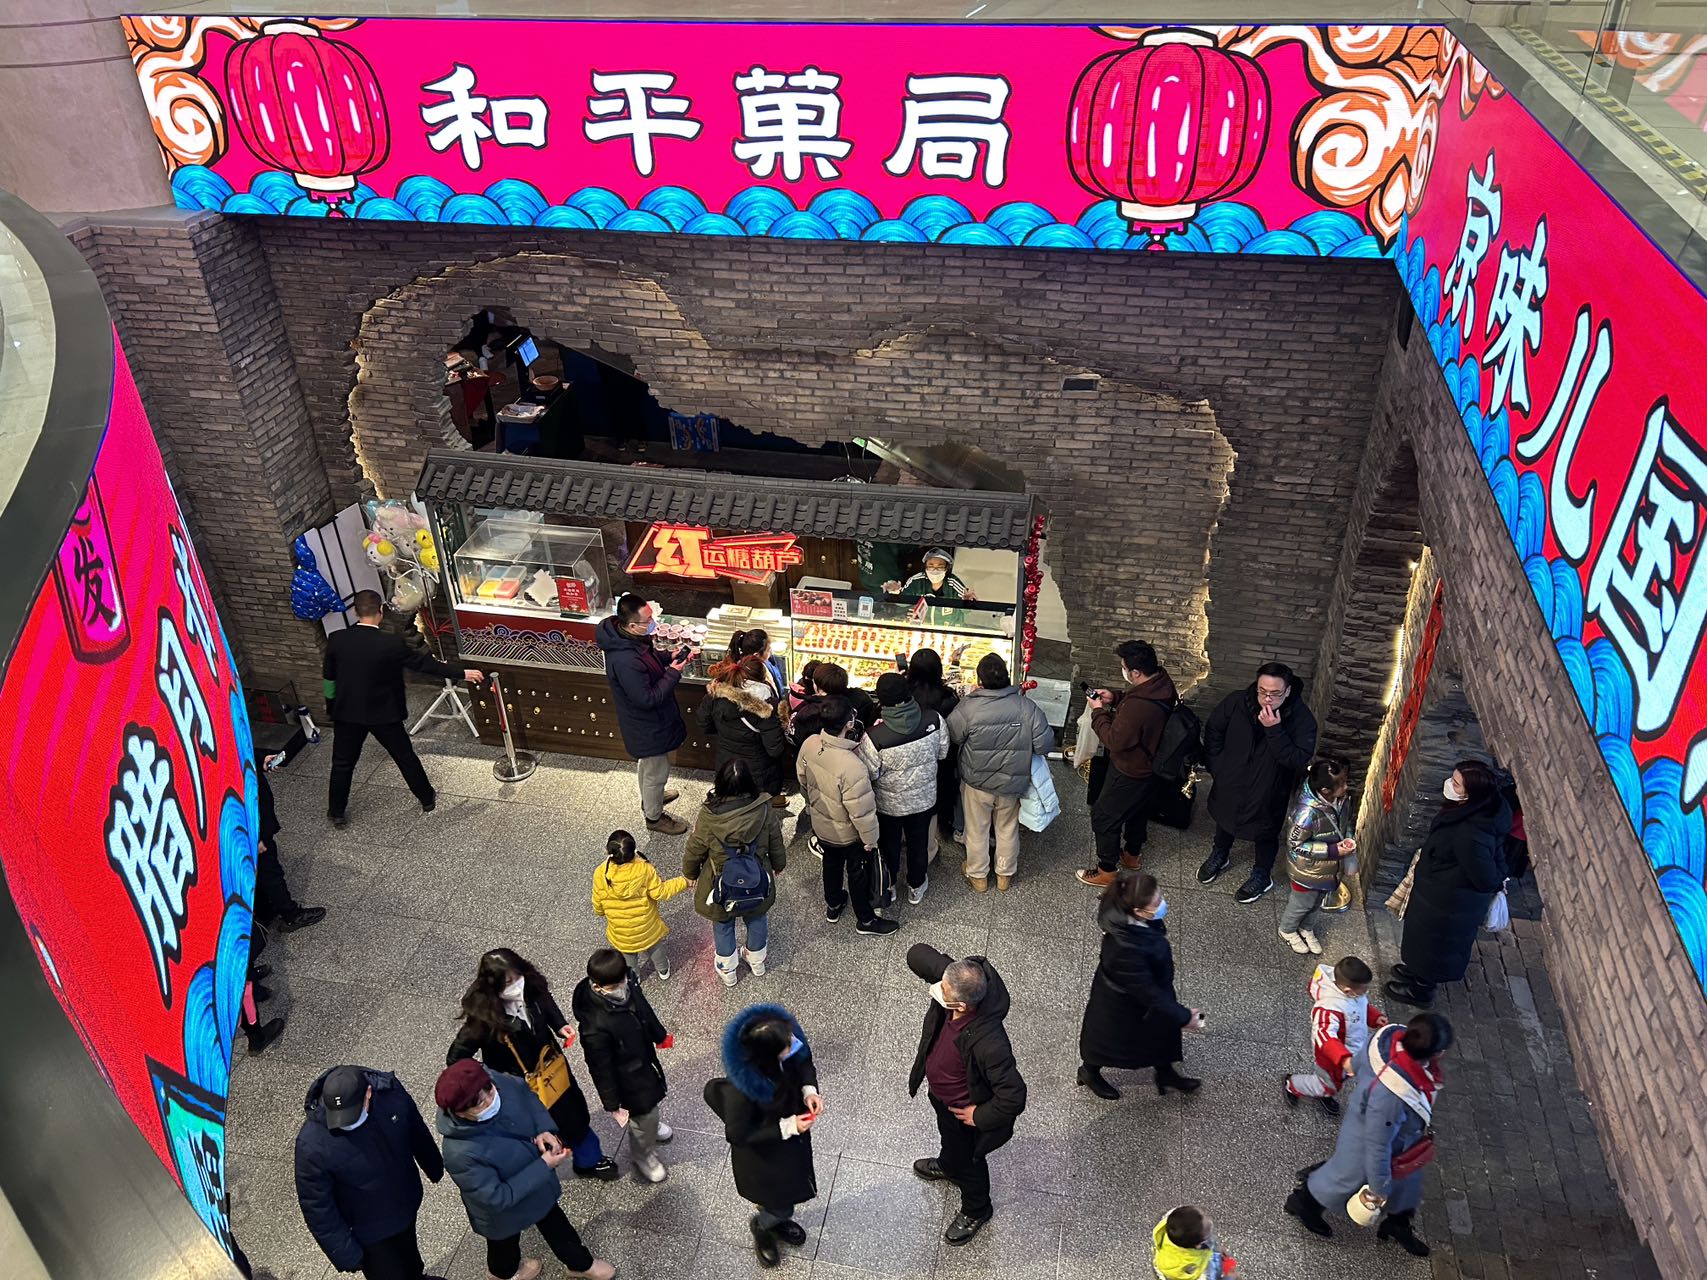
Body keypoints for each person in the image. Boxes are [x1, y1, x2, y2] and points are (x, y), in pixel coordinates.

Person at [1285, 1012, 1453, 1258]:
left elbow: (1358, 1063)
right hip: (1369, 1143)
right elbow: (1378, 1145)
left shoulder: (1387, 1039)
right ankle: (1304, 1203)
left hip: (1383, 1134)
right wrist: (1379, 1187)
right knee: (1342, 1180)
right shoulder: (1391, 1095)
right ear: (1437, 1053)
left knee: (1404, 1184)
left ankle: (1397, 1223)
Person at [435, 1059, 615, 1280]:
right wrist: (543, 1166)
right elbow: (497, 1197)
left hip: (537, 1186)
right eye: (480, 1104)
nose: (491, 1100)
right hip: (504, 1213)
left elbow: (527, 1096)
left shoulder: (494, 1080)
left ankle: (580, 1264)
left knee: (557, 1227)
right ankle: (503, 1274)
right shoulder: (460, 1154)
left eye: (490, 1091)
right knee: (504, 1247)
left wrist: (544, 1129)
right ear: (461, 1113)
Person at [447, 948, 617, 1181]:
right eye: (509, 982)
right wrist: (488, 1080)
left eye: (518, 977)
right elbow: (456, 1058)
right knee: (537, 1133)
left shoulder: (532, 988)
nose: (517, 985)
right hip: (521, 1088)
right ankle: (544, 1170)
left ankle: (588, 1161)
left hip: (552, 1070)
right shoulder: (484, 1019)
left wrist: (559, 1024)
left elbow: (546, 1002)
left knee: (575, 1119)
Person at [323, 590, 483, 827]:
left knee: (343, 763)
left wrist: (332, 707)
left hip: (347, 713)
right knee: (404, 757)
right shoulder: (390, 643)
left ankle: (337, 812)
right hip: (384, 714)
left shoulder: (337, 639)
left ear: (355, 612)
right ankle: (426, 798)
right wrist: (462, 673)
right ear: (380, 612)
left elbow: (329, 679)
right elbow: (424, 665)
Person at [906, 943, 1026, 1246]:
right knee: (950, 1140)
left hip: (964, 1112)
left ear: (961, 1006)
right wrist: (944, 970)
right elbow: (916, 954)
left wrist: (979, 1115)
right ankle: (949, 1165)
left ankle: (977, 1208)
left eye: (943, 990)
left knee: (970, 1161)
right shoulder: (963, 978)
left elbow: (1013, 1096)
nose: (938, 990)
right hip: (942, 1098)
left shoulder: (991, 1042)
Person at [295, 1064, 445, 1280]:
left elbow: (415, 1129)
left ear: (368, 1093)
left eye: (350, 1114)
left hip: (405, 1202)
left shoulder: (391, 1095)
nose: (344, 1123)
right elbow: (316, 1206)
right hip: (368, 1230)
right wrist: (346, 1253)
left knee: (410, 1258)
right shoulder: (311, 1145)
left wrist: (433, 1165)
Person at [704, 1006, 823, 1269]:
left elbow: (804, 1061)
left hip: (789, 1148)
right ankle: (763, 1225)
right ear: (767, 1057)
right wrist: (788, 1126)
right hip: (764, 1160)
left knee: (785, 1195)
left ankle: (773, 1218)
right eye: (787, 1046)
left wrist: (809, 1090)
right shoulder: (742, 1092)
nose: (795, 1044)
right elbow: (738, 1134)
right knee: (781, 1206)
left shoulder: (780, 1041)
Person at [1385, 761, 1511, 1007]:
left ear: (1471, 794)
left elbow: (1486, 876)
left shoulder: (1471, 834)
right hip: (1437, 895)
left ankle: (1421, 990)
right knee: (1422, 941)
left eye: (1456, 784)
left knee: (1434, 948)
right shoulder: (1477, 811)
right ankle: (1416, 970)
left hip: (1449, 904)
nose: (1449, 785)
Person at [1197, 661, 1319, 904]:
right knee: (1225, 818)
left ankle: (1262, 875)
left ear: (1288, 691)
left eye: (1275, 694)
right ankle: (1220, 854)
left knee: (1265, 831)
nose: (1267, 699)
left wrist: (1274, 730)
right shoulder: (1237, 702)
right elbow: (1214, 730)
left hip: (1269, 789)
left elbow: (1297, 759)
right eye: (1262, 691)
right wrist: (1218, 766)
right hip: (1232, 779)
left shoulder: (1302, 720)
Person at [1076, 873, 1202, 1100]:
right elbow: (1148, 992)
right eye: (1157, 902)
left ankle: (1165, 1074)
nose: (1163, 904)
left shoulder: (1132, 922)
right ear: (1138, 911)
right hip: (1123, 1006)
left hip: (1136, 1000)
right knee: (1109, 1043)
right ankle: (1089, 1072)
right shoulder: (1126, 947)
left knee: (1159, 1037)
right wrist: (1185, 1017)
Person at [1075, 640, 1177, 888]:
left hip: (1131, 768)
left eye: (1124, 667)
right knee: (1137, 810)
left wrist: (1098, 711)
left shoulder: (1138, 706)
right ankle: (1132, 854)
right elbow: (1137, 709)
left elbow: (1114, 740)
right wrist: (1116, 697)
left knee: (1103, 816)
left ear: (1136, 672)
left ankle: (1107, 871)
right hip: (1150, 766)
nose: (1123, 671)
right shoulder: (1161, 683)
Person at [946, 653, 1053, 892]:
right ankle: (1004, 874)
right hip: (1012, 784)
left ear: (980, 681)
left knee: (977, 829)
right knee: (1007, 828)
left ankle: (978, 876)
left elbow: (953, 735)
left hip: (977, 783)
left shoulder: (969, 707)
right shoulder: (1027, 707)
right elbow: (1044, 745)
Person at [597, 592, 697, 836]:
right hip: (646, 726)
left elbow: (648, 658)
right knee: (656, 771)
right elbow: (646, 699)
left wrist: (668, 657)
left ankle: (652, 798)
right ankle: (654, 817)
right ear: (632, 625)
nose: (653, 623)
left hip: (649, 723)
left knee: (648, 766)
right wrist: (673, 673)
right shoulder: (625, 660)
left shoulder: (629, 639)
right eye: (648, 620)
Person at [571, 949, 674, 1185]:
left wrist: (658, 1034)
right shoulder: (594, 1027)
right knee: (644, 1113)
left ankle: (649, 1127)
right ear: (598, 986)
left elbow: (643, 1008)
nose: (622, 986)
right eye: (615, 985)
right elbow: (600, 1069)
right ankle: (643, 1154)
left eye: (623, 980)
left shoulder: (626, 981)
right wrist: (612, 1104)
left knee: (649, 1109)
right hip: (627, 1079)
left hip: (642, 1060)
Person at [797, 696, 898, 935]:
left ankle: (833, 904)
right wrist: (870, 840)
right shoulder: (852, 765)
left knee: (830, 864)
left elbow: (802, 779)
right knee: (857, 872)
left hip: (822, 824)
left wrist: (813, 805)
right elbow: (861, 811)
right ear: (849, 724)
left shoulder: (810, 743)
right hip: (848, 834)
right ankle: (865, 919)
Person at [684, 760, 789, 985]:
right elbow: (775, 840)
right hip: (756, 874)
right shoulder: (763, 807)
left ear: (720, 783)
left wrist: (690, 873)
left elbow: (696, 847)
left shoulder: (709, 815)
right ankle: (757, 961)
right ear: (750, 782)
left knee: (722, 922)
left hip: (720, 879)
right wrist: (779, 864)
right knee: (757, 915)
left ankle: (728, 970)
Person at [858, 673, 949, 905]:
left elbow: (870, 774)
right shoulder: (934, 719)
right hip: (924, 800)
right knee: (918, 844)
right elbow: (943, 753)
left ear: (881, 700)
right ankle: (916, 886)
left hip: (889, 806)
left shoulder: (874, 736)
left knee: (889, 846)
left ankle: (889, 886)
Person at [1285, 956, 1385, 1115]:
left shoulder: (1355, 995)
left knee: (1338, 1078)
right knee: (1329, 1084)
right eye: (1364, 989)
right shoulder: (1329, 1008)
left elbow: (1361, 1008)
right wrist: (1343, 1059)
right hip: (1332, 1058)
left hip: (1350, 1051)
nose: (1366, 992)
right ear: (1348, 991)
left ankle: (1325, 1089)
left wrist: (1375, 1017)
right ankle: (1293, 1084)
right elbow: (1324, 1035)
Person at [1278, 757, 1355, 954]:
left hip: (1329, 870)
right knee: (1301, 904)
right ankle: (1287, 929)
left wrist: (1348, 837)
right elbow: (1295, 844)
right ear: (1325, 791)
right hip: (1307, 871)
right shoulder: (1306, 813)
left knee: (1317, 903)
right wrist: (1332, 850)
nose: (1346, 787)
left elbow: (1347, 822)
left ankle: (1306, 928)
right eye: (1341, 784)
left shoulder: (1343, 800)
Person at [591, 829, 689, 981]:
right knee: (655, 948)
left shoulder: (601, 873)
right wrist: (684, 882)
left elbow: (598, 901)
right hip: (647, 927)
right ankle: (663, 970)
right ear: (633, 850)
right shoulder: (644, 869)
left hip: (621, 931)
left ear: (608, 850)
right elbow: (660, 892)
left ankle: (635, 977)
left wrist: (600, 911)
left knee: (629, 956)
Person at [698, 653, 791, 803]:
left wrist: (726, 732)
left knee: (732, 800)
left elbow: (703, 724)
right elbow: (775, 750)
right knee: (757, 805)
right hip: (758, 772)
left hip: (727, 764)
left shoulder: (715, 695)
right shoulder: (767, 708)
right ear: (762, 677)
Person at [254, 761, 326, 934]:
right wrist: (254, 837)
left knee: (262, 870)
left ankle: (266, 910)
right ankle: (290, 915)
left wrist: (260, 760)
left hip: (254, 827)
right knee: (270, 871)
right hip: (253, 829)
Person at [907, 647, 963, 847]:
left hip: (912, 756)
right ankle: (939, 829)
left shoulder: (905, 696)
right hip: (941, 760)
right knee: (939, 791)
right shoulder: (948, 699)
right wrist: (955, 664)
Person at [1152, 1205, 1237, 1280]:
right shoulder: (1193, 1272)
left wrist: (1216, 1248)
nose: (1210, 1220)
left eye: (1204, 1214)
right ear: (1198, 1245)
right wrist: (1230, 1277)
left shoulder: (1176, 1222)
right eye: (1208, 1229)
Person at [885, 548, 977, 601]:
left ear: (946, 568)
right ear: (925, 567)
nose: (935, 570)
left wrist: (967, 602)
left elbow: (967, 606)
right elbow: (903, 601)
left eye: (940, 566)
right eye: (931, 566)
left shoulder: (953, 583)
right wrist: (896, 592)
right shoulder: (916, 581)